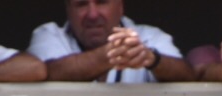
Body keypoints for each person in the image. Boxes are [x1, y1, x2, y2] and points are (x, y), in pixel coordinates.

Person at [28, 0, 194, 82]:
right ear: (68, 10)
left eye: (102, 2)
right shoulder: (48, 35)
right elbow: (49, 73)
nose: (92, 14)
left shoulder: (150, 37)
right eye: (81, 4)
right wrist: (116, 51)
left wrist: (151, 59)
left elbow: (188, 77)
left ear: (120, 6)